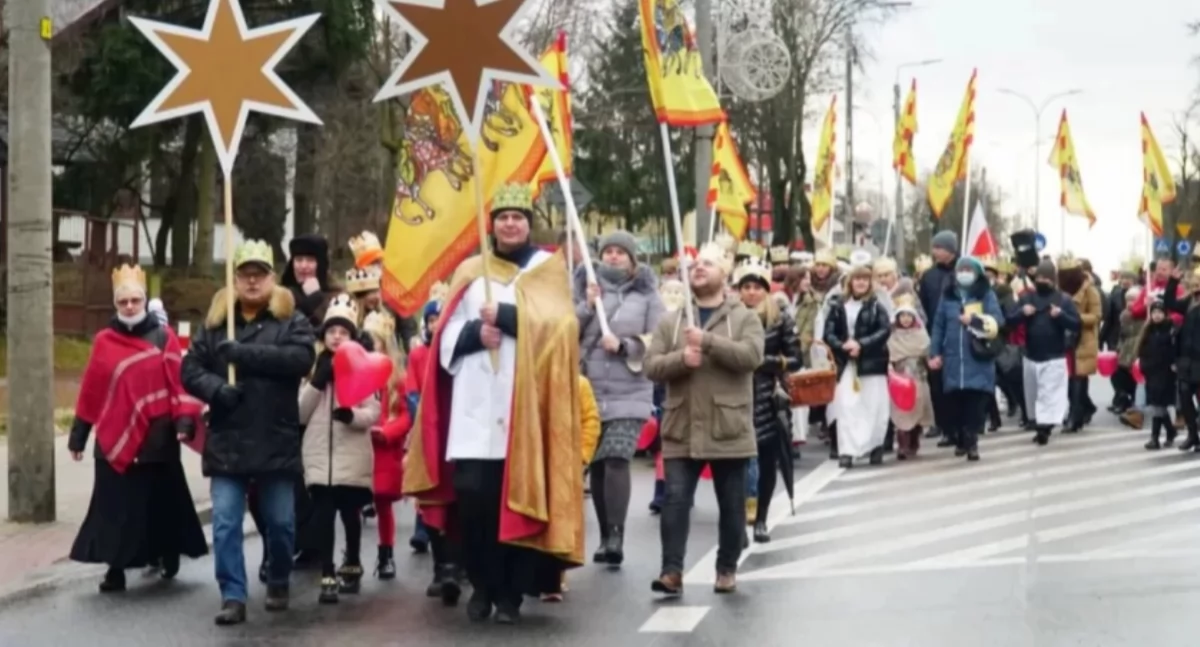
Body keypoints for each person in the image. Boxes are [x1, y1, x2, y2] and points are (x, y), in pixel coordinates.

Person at [402, 183, 584, 625]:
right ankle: (481, 584)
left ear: (528, 223)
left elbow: (562, 330)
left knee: (519, 502)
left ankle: (510, 594)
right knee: (474, 501)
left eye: (517, 217)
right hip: (474, 410)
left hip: (525, 411)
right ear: (493, 223)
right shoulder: (471, 271)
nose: (509, 223)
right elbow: (442, 334)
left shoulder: (547, 269)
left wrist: (505, 318)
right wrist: (471, 336)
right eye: (502, 216)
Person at [182, 240, 316, 625]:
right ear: (234, 279)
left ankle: (278, 578)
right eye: (245, 274)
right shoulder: (215, 324)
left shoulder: (291, 321)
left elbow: (301, 359)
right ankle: (233, 595)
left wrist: (243, 355)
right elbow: (189, 369)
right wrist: (215, 389)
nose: (253, 281)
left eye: (260, 274)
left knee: (280, 521)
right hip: (228, 439)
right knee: (225, 522)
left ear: (273, 279)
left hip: (276, 437)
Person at [68, 264, 207, 593]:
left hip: (157, 437)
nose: (129, 307)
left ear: (145, 301)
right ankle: (114, 568)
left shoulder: (164, 337)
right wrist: (78, 435)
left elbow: (179, 383)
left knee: (159, 502)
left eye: (135, 300)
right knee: (113, 506)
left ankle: (167, 550)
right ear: (115, 305)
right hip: (113, 436)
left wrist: (185, 420)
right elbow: (91, 390)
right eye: (123, 302)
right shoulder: (104, 341)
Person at [646, 241, 764, 596]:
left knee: (731, 505)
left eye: (708, 264)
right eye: (696, 264)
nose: (699, 268)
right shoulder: (672, 320)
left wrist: (708, 342)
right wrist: (682, 358)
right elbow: (651, 366)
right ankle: (671, 572)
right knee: (675, 500)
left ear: (724, 275)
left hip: (728, 428)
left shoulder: (745, 317)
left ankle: (726, 567)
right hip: (682, 426)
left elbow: (752, 356)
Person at [576, 230, 664, 567]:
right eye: (608, 251)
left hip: (630, 389)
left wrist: (627, 346)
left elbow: (660, 338)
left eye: (620, 252)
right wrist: (586, 306)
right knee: (597, 463)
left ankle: (616, 534)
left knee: (616, 459)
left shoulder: (648, 295)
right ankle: (603, 534)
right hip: (590, 389)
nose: (613, 257)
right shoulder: (584, 287)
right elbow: (565, 331)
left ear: (632, 258)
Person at [299, 295, 381, 604]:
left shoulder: (362, 369)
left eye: (343, 332)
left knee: (349, 513)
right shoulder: (312, 369)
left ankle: (353, 559)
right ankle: (327, 568)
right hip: (319, 454)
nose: (336, 336)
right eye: (332, 331)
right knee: (323, 515)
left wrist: (352, 416)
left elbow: (372, 412)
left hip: (351, 454)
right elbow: (300, 414)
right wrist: (317, 383)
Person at [734, 257, 800, 543]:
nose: (751, 292)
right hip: (733, 395)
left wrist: (765, 362)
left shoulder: (780, 318)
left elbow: (796, 358)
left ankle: (761, 517)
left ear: (765, 290)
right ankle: (737, 518)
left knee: (767, 462)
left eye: (756, 287)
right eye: (746, 287)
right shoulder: (729, 317)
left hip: (768, 398)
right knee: (734, 465)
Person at [404, 294, 464, 603]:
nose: (437, 325)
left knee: (460, 502)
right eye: (432, 320)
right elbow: (412, 392)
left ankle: (457, 566)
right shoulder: (419, 355)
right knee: (434, 500)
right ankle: (442, 568)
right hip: (431, 432)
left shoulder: (467, 353)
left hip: (462, 435)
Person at [928, 257, 1004, 461]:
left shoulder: (986, 295)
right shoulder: (948, 297)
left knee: (975, 404)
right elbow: (938, 327)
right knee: (955, 403)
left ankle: (972, 442)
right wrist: (934, 353)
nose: (964, 273)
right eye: (961, 269)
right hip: (953, 360)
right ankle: (961, 437)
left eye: (969, 269)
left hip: (977, 357)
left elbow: (998, 321)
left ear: (977, 273)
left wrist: (975, 321)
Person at [824, 263, 892, 468]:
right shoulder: (838, 306)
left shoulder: (876, 306)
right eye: (857, 279)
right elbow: (828, 333)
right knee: (846, 407)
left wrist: (862, 345)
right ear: (850, 282)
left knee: (874, 406)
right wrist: (843, 346)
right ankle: (847, 450)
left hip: (872, 364)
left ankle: (875, 446)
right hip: (847, 364)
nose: (861, 283)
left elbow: (884, 331)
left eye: (865, 279)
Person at [1009, 258, 1080, 446]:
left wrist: (1061, 316)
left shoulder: (1063, 300)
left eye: (1045, 278)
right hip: (1031, 355)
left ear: (1053, 279)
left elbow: (1076, 324)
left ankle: (1044, 429)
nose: (1042, 281)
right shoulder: (1027, 298)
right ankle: (1038, 422)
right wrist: (1022, 313)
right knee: (1034, 395)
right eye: (1038, 277)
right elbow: (1009, 322)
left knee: (1049, 394)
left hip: (1053, 356)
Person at [362, 310, 409, 580]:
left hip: (383, 449)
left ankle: (386, 553)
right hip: (360, 446)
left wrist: (388, 432)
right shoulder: (358, 373)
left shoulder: (396, 378)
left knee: (382, 504)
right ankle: (353, 555)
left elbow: (405, 415)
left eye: (376, 340)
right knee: (352, 502)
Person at [1059, 256, 1102, 432]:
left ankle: (1074, 415)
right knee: (1069, 380)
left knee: (1078, 379)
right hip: (1064, 340)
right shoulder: (1059, 291)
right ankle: (1085, 408)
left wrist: (1074, 318)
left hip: (1083, 339)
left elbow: (1097, 316)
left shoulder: (1090, 291)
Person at [887, 295, 933, 459]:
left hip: (918, 377)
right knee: (901, 412)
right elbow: (890, 357)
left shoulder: (921, 335)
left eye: (909, 316)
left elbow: (928, 355)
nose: (905, 319)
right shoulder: (893, 337)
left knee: (917, 411)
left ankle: (914, 441)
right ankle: (902, 445)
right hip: (900, 380)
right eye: (902, 316)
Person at [1164, 268, 1200, 451]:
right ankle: (1193, 435)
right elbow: (1169, 302)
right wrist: (1173, 282)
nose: (1196, 285)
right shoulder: (1189, 301)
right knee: (1185, 397)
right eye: (1194, 282)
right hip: (1186, 359)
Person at [1136, 300, 1178, 449]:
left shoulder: (1171, 329)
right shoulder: (1148, 330)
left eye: (1160, 313)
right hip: (1151, 372)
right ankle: (1171, 431)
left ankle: (1154, 438)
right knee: (1157, 405)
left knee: (1158, 405)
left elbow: (1174, 350)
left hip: (1166, 372)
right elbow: (1141, 350)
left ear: (1165, 314)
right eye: (1154, 313)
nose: (1157, 316)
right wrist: (1143, 366)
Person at [281, 233, 334, 327]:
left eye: (310, 260)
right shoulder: (280, 296)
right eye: (299, 260)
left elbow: (334, 327)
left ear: (321, 264)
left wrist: (316, 297)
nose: (303, 266)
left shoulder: (337, 296)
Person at [1112, 287, 1144, 416]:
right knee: (1117, 375)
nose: (1130, 303)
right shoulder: (1124, 316)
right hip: (1126, 351)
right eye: (1128, 300)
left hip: (1137, 350)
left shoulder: (1144, 315)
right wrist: (1118, 348)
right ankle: (1123, 399)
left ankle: (1135, 403)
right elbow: (1122, 335)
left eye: (1133, 300)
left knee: (1136, 378)